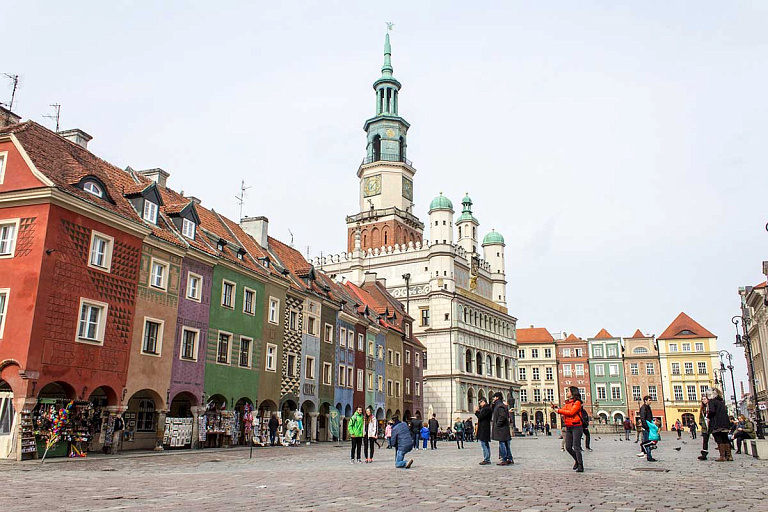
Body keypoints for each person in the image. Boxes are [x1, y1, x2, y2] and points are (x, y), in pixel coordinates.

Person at [552, 386, 584, 472]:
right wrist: (556, 408)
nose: (567, 393)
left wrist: (558, 411)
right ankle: (577, 460)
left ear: (572, 393)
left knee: (576, 446)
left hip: (577, 426)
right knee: (568, 447)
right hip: (569, 426)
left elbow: (571, 412)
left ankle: (580, 465)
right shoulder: (567, 403)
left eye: (568, 391)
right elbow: (564, 411)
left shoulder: (577, 403)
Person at [707, 389, 732, 462]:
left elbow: (712, 411)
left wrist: (708, 416)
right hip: (725, 423)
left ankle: (722, 456)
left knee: (719, 439)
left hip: (717, 423)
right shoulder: (721, 401)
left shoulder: (712, 401)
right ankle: (729, 456)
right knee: (725, 438)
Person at [491, 392, 513, 465]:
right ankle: (509, 458)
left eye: (494, 397)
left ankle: (504, 459)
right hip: (504, 428)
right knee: (506, 444)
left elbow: (502, 416)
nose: (493, 399)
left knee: (502, 443)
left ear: (497, 397)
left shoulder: (499, 406)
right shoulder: (501, 405)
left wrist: (498, 425)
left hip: (501, 429)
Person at [475, 397, 492, 465]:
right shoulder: (486, 408)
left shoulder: (486, 408)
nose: (480, 404)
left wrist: (476, 412)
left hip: (484, 428)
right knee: (485, 443)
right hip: (485, 428)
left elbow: (481, 417)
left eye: (480, 402)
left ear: (483, 402)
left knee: (483, 444)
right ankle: (487, 458)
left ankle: (486, 459)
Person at [698, 396, 710, 460]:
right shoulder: (702, 408)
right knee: (705, 440)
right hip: (705, 426)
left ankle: (724, 453)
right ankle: (704, 454)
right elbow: (700, 417)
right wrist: (701, 423)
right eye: (702, 399)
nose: (703, 400)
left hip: (711, 425)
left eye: (704, 399)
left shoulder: (711, 406)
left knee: (717, 439)